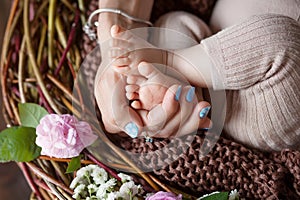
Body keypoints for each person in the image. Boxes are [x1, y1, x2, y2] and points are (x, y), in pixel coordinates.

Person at [94, 0, 300, 151]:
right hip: (211, 46)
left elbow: (281, 44)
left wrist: (168, 59)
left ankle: (173, 65)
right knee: (172, 23)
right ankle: (174, 82)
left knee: (282, 45)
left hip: (260, 105)